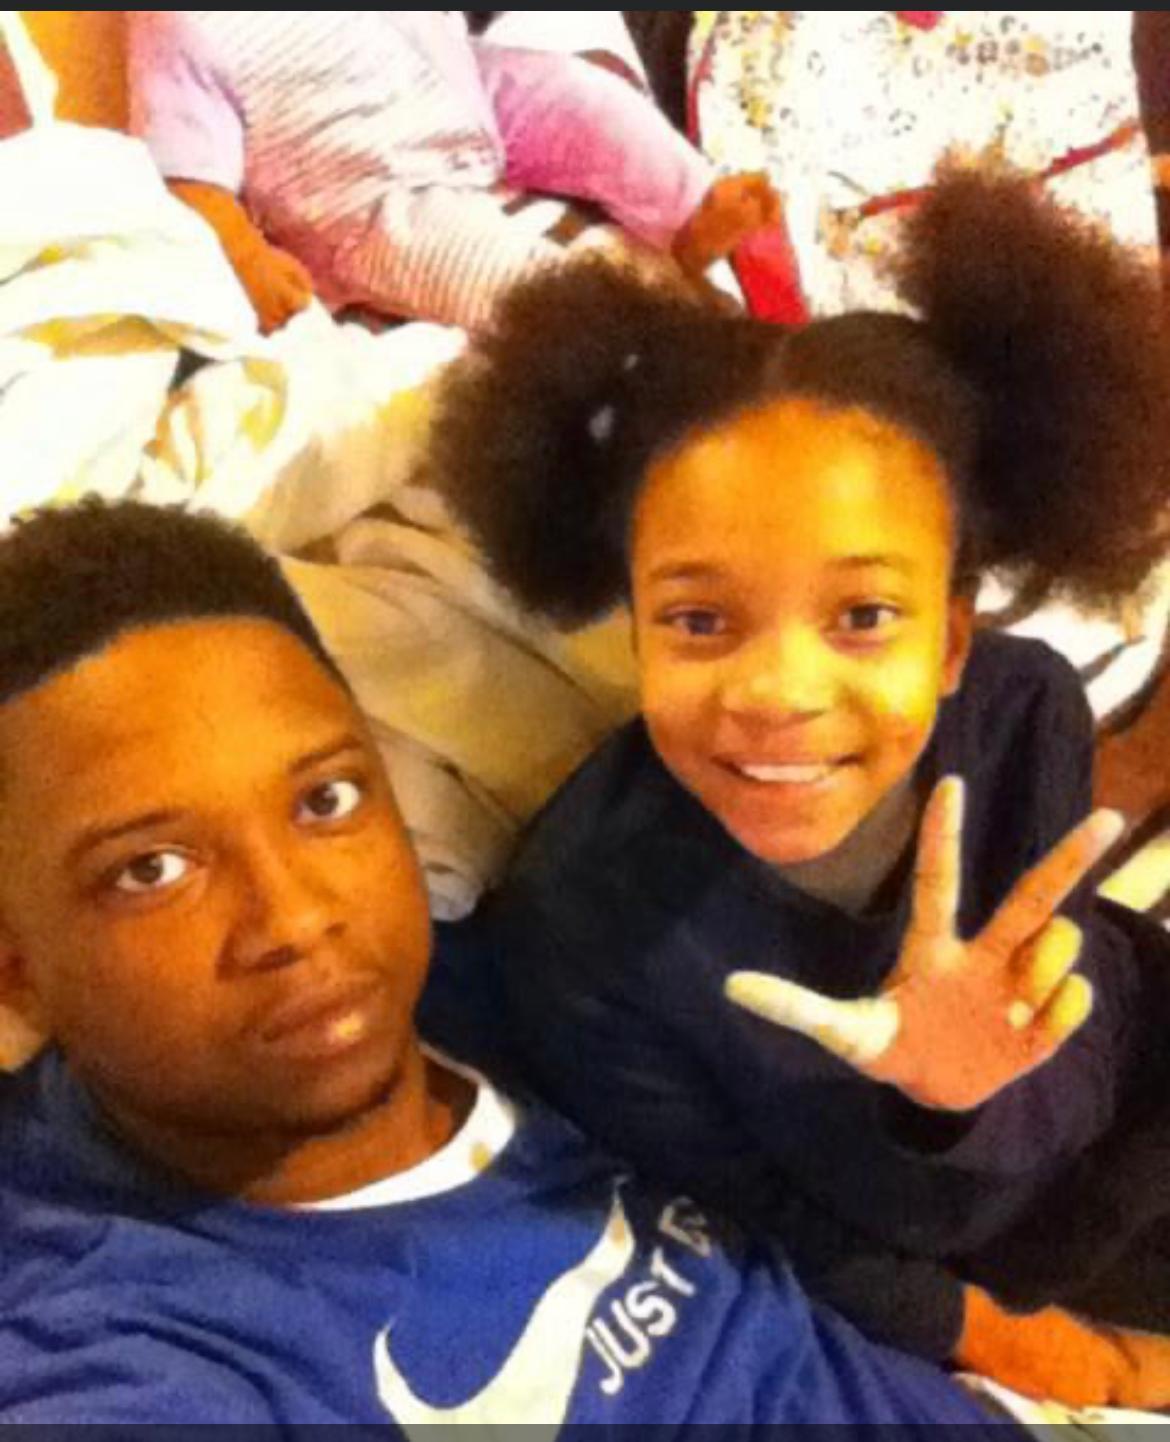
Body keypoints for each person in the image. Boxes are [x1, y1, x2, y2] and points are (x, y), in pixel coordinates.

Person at [0, 497, 1032, 1429]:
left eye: (326, 800)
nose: (296, 918)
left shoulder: (516, 986)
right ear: (15, 970)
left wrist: (937, 1127)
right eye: (151, 869)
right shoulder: (122, 1342)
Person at [425, 166, 1170, 1407]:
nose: (776, 690)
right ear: (631, 624)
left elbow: (1091, 1012)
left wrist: (982, 1081)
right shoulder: (585, 929)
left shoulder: (1022, 707)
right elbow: (772, 1223)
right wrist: (1043, 1339)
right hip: (974, 1254)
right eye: (700, 618)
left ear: (950, 638)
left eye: (862, 615)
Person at [125, 11, 787, 335]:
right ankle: (626, 341)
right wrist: (245, 255)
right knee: (506, 277)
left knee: (588, 101)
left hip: (470, 89)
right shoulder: (179, 28)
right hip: (370, 203)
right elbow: (188, 176)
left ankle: (688, 209)